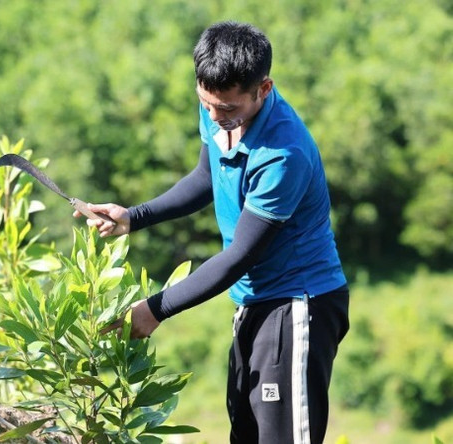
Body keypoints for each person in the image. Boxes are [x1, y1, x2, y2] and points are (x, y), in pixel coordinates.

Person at [77, 21, 349, 444]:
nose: (215, 117)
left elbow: (240, 256)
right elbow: (206, 177)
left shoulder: (283, 154)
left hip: (298, 305)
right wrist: (133, 216)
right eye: (206, 104)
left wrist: (154, 310)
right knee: (245, 433)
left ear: (263, 88)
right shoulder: (219, 108)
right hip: (255, 302)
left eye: (227, 109)